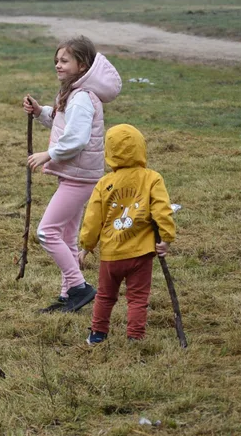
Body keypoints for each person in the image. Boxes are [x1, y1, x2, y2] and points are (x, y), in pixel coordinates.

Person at [23, 36, 122, 313]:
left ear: (83, 65)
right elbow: (62, 123)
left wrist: (49, 154)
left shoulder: (81, 98)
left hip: (80, 178)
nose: (58, 65)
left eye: (64, 60)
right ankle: (69, 296)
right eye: (56, 60)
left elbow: (76, 139)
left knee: (47, 232)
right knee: (66, 237)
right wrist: (40, 111)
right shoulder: (74, 94)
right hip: (77, 175)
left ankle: (79, 287)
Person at [79, 124, 176, 343]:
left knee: (105, 296)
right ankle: (135, 337)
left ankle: (97, 334)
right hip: (140, 254)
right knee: (138, 298)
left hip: (111, 255)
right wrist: (167, 238)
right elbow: (162, 210)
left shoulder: (104, 183)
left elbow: (92, 218)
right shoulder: (152, 178)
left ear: (108, 152)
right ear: (142, 147)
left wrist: (86, 246)